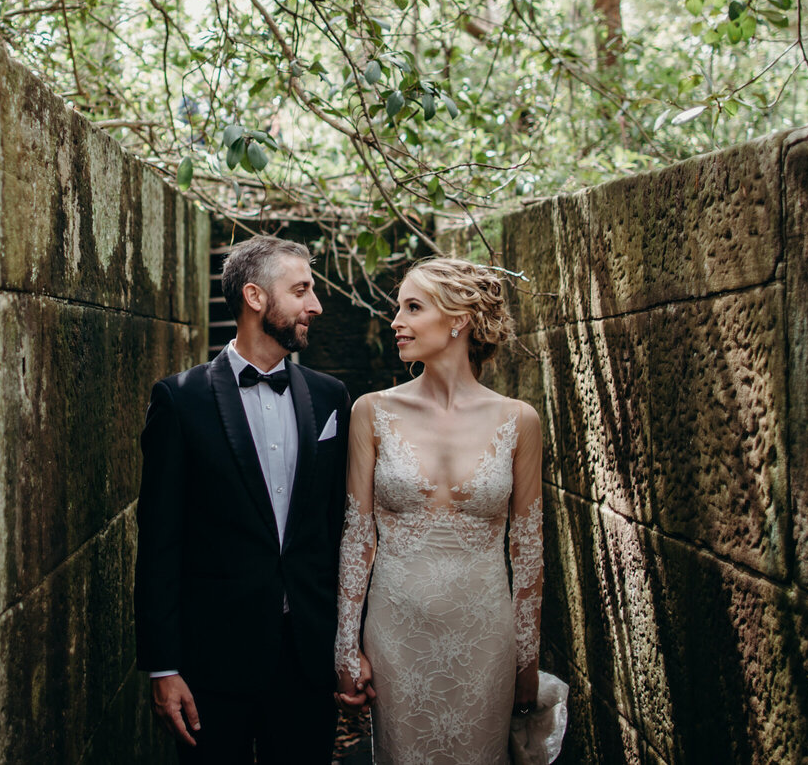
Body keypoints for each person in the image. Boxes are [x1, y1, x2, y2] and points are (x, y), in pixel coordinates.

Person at [136, 235, 353, 764]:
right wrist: (163, 668)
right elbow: (159, 540)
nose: (316, 306)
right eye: (301, 290)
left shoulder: (331, 398)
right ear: (255, 298)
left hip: (306, 655)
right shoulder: (179, 400)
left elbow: (338, 528)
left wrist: (347, 644)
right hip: (213, 661)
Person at [334, 257, 543, 764]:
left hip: (485, 638)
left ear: (458, 320)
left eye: (412, 307)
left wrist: (527, 661)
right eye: (397, 308)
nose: (396, 321)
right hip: (396, 634)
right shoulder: (372, 411)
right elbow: (357, 539)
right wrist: (345, 647)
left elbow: (530, 551)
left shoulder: (519, 420)